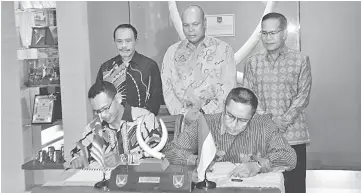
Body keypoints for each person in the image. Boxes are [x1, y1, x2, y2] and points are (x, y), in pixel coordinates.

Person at [243, 12, 312, 193]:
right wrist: (270, 120)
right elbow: (249, 97)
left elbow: (303, 96)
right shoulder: (252, 62)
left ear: (284, 33)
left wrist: (284, 120)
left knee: (295, 186)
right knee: (264, 186)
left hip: (293, 135)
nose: (268, 38)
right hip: (263, 136)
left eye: (273, 33)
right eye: (264, 33)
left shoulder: (300, 60)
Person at [163, 87, 296, 179]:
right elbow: (170, 151)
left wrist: (258, 165)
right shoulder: (204, 123)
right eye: (230, 116)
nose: (234, 124)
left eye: (243, 120)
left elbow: (289, 157)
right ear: (224, 107)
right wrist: (197, 160)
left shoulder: (265, 125)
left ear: (253, 116)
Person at [161, 5, 236, 123]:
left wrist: (204, 113)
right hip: (183, 123)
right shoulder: (171, 53)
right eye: (186, 25)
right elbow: (168, 90)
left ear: (205, 23)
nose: (191, 29)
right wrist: (185, 114)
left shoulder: (224, 50)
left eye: (195, 24)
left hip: (215, 122)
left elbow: (228, 90)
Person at [68, 81, 162, 169]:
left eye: (106, 108)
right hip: (106, 184)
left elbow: (156, 151)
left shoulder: (144, 118)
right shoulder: (94, 127)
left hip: (139, 182)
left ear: (118, 99)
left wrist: (123, 159)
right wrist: (77, 159)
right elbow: (77, 151)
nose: (103, 115)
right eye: (97, 111)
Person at [96, 24, 163, 115]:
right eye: (119, 41)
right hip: (112, 124)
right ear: (114, 42)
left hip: (141, 124)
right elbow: (98, 99)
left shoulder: (149, 66)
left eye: (128, 41)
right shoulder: (106, 68)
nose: (124, 45)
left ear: (136, 41)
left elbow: (155, 101)